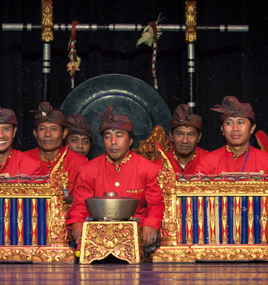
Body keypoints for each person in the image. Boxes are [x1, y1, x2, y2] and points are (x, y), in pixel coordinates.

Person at [66, 106, 164, 249]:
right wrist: (77, 223)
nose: (113, 141)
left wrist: (150, 224)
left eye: (119, 135)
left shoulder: (150, 168)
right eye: (107, 136)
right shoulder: (88, 169)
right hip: (97, 230)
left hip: (136, 229)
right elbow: (80, 205)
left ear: (130, 141)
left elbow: (155, 205)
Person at [194, 96, 268, 175]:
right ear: (222, 129)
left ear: (252, 128)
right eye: (229, 123)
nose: (235, 128)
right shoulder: (207, 163)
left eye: (240, 122)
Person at [24, 103, 88, 194]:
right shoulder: (23, 160)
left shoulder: (80, 163)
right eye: (42, 129)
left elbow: (82, 201)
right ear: (35, 134)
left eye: (54, 129)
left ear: (64, 133)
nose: (47, 134)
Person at [155, 104, 208, 174]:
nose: (185, 140)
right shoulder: (159, 165)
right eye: (179, 134)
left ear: (199, 137)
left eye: (191, 135)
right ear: (171, 136)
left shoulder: (210, 162)